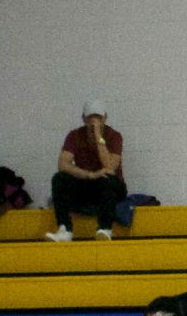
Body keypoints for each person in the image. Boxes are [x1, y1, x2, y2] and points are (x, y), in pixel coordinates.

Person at [45, 99, 126, 242]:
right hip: (87, 181)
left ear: (105, 118)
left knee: (109, 178)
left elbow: (109, 167)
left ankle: (105, 228)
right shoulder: (74, 135)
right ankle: (65, 229)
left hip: (109, 185)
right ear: (83, 119)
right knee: (59, 178)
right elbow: (63, 164)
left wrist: (98, 137)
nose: (94, 122)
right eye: (90, 118)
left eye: (98, 118)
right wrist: (90, 175)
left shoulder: (114, 136)